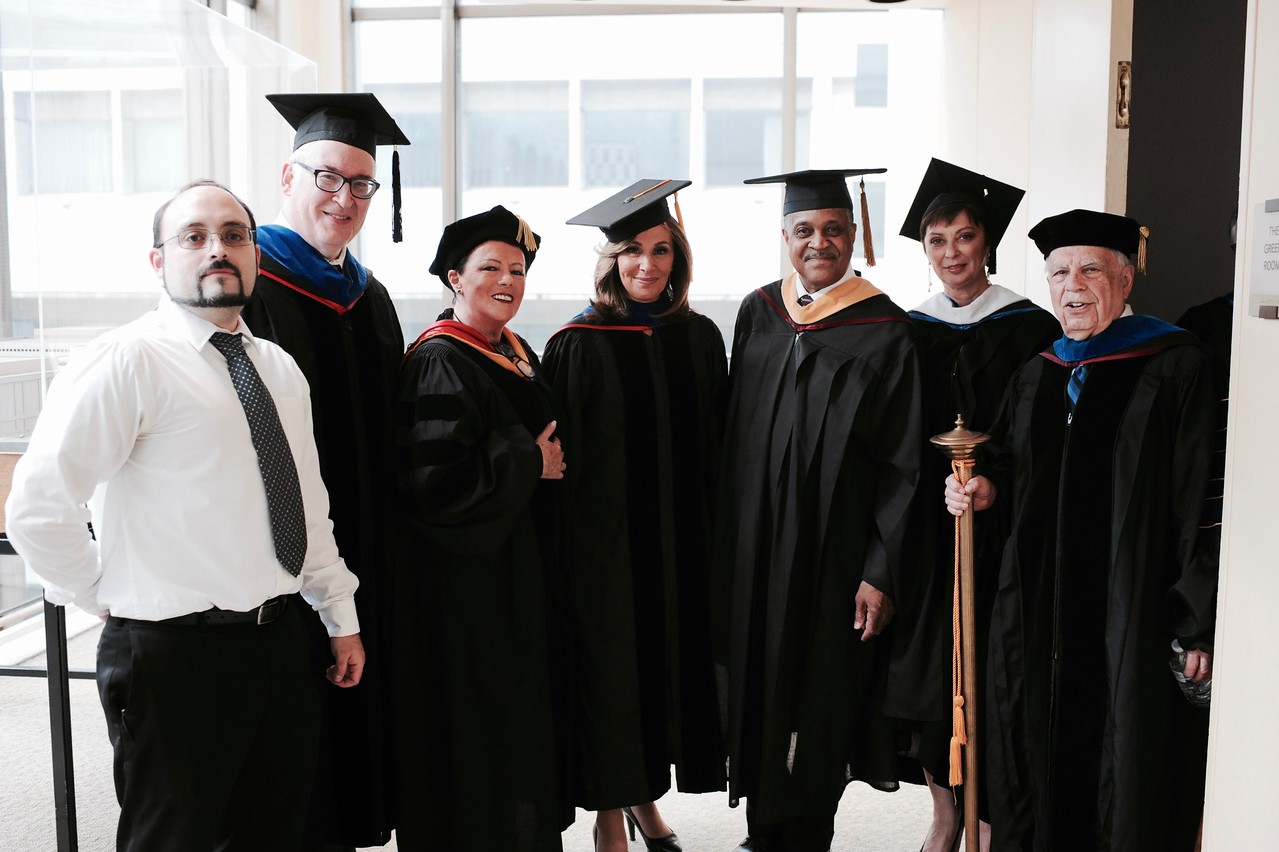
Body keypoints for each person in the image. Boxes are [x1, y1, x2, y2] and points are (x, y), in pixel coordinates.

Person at [4, 180, 365, 852]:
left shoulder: (279, 369)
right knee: (173, 839)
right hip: (173, 657)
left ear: (254, 254)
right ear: (158, 260)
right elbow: (37, 506)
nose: (216, 250)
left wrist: (338, 615)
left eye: (233, 236)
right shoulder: (126, 360)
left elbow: (306, 505)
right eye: (193, 236)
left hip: (279, 644)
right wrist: (104, 597)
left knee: (274, 833)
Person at [945, 209, 1218, 851]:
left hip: (1135, 607)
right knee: (1033, 740)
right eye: (1059, 271)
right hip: (1038, 606)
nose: (1073, 285)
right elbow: (1014, 465)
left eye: (1091, 269)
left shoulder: (1175, 364)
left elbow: (1199, 496)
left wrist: (1195, 617)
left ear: (1125, 280)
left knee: (1126, 759)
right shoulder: (1039, 370)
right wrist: (985, 488)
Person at [715, 168, 923, 852]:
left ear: (853, 235)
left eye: (833, 230)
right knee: (755, 677)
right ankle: (758, 825)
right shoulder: (757, 311)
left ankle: (806, 830)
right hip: (753, 548)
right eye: (804, 230)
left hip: (833, 556)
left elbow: (902, 464)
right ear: (784, 237)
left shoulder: (886, 330)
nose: (819, 243)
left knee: (820, 689)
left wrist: (880, 570)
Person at [242, 92, 410, 849]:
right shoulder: (248, 292)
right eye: (328, 177)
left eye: (360, 186)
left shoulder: (368, 298)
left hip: (363, 544)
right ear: (287, 175)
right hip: (276, 551)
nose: (343, 199)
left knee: (356, 716)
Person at [543, 179, 728, 852]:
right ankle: (608, 818)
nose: (646, 265)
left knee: (662, 681)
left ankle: (645, 804)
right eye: (631, 252)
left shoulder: (699, 337)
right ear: (610, 261)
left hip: (681, 548)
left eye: (659, 251)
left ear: (676, 258)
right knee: (614, 681)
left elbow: (717, 442)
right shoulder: (578, 342)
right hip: (606, 552)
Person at [889, 159, 1060, 852]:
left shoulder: (1029, 328)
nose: (952, 252)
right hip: (928, 525)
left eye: (964, 237)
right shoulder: (909, 330)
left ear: (986, 243)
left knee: (993, 665)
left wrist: (996, 484)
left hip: (1001, 526)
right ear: (924, 251)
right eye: (937, 240)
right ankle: (943, 812)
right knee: (931, 668)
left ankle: (990, 814)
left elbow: (1042, 434)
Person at [391, 205, 569, 852]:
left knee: (519, 726)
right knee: (483, 730)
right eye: (489, 267)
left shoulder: (514, 351)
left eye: (517, 269)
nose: (507, 280)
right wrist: (530, 461)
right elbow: (431, 486)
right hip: (469, 586)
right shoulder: (440, 360)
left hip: (516, 571)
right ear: (454, 278)